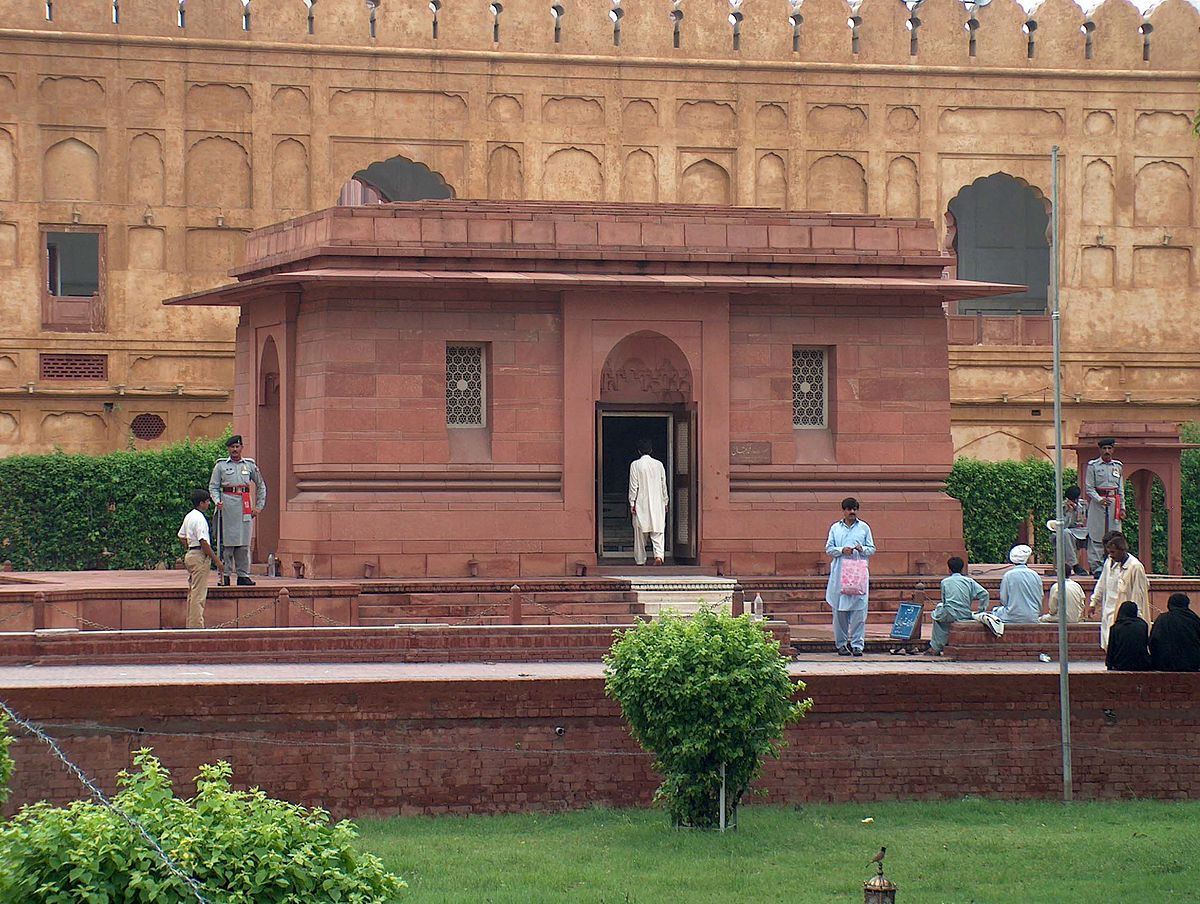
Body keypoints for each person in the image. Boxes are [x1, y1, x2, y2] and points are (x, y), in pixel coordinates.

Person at [208, 434, 266, 586]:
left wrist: (259, 507)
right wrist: (217, 501)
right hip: (227, 505)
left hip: (244, 504)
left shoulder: (249, 465)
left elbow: (261, 485)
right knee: (227, 543)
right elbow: (213, 486)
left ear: (241, 448)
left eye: (237, 447)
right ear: (228, 449)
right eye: (232, 447)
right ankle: (225, 574)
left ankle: (243, 575)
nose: (234, 450)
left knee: (243, 542)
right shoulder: (220, 466)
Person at [824, 497, 876, 657]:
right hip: (840, 574)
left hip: (857, 573)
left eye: (854, 509)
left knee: (859, 612)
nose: (852, 512)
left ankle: (857, 645)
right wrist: (841, 550)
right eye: (849, 509)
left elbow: (872, 548)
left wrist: (862, 549)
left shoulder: (864, 528)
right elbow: (829, 549)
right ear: (844, 511)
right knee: (839, 613)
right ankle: (841, 644)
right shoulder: (835, 528)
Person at [1089, 532, 1149, 650]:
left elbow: (1138, 595)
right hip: (1108, 609)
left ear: (1121, 549)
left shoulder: (1135, 567)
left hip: (1125, 615)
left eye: (1112, 551)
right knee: (1108, 643)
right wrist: (1094, 602)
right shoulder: (1109, 562)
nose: (1109, 555)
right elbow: (1101, 583)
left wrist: (1136, 618)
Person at [176, 488, 224, 629]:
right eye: (207, 501)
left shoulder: (189, 516)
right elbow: (203, 542)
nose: (209, 504)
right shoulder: (200, 519)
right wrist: (217, 561)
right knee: (199, 594)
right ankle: (196, 627)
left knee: (193, 592)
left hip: (191, 553)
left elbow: (181, 535)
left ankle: (191, 624)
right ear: (201, 503)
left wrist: (190, 547)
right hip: (199, 556)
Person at [927, 556, 989, 656]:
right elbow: (984, 594)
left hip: (951, 613)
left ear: (949, 569)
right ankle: (942, 643)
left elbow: (945, 601)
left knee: (936, 616)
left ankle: (936, 647)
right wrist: (981, 610)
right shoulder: (969, 581)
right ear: (962, 568)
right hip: (965, 613)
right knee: (942, 613)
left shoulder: (945, 582)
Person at [976, 545, 1043, 635]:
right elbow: (1040, 596)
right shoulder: (1035, 575)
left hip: (1012, 616)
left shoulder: (1008, 575)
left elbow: (1004, 600)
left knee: (994, 612)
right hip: (1033, 616)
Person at [1084, 438, 1124, 576]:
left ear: (1113, 450)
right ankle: (1097, 567)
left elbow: (1120, 489)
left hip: (1114, 503)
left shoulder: (1117, 466)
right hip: (1098, 504)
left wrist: (1122, 507)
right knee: (1096, 535)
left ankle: (1114, 564)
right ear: (1100, 450)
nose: (1107, 451)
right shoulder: (1093, 466)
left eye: (1109, 448)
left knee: (1114, 534)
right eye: (1104, 449)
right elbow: (1089, 488)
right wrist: (1099, 500)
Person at [628, 438, 669, 566]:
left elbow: (633, 485)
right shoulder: (659, 465)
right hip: (658, 502)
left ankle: (640, 560)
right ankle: (659, 556)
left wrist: (632, 502)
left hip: (641, 502)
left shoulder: (635, 465)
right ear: (651, 450)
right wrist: (666, 501)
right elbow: (664, 485)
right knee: (658, 532)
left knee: (640, 535)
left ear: (639, 451)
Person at [1148, 592, 1200, 671]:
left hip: (1164, 664)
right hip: (1191, 664)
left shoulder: (1162, 619)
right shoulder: (1193, 619)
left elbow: (1153, 641)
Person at [1105, 601, 1151, 671]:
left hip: (1120, 664)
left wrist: (1109, 665)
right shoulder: (1143, 625)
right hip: (1141, 664)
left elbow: (1111, 649)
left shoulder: (1116, 627)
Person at [1061, 485, 1090, 576]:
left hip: (1080, 530)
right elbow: (1063, 525)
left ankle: (1096, 565)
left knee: (1093, 533)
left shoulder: (1083, 504)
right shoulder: (1062, 506)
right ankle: (1075, 564)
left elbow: (1086, 519)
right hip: (1068, 530)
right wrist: (1069, 511)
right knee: (1066, 533)